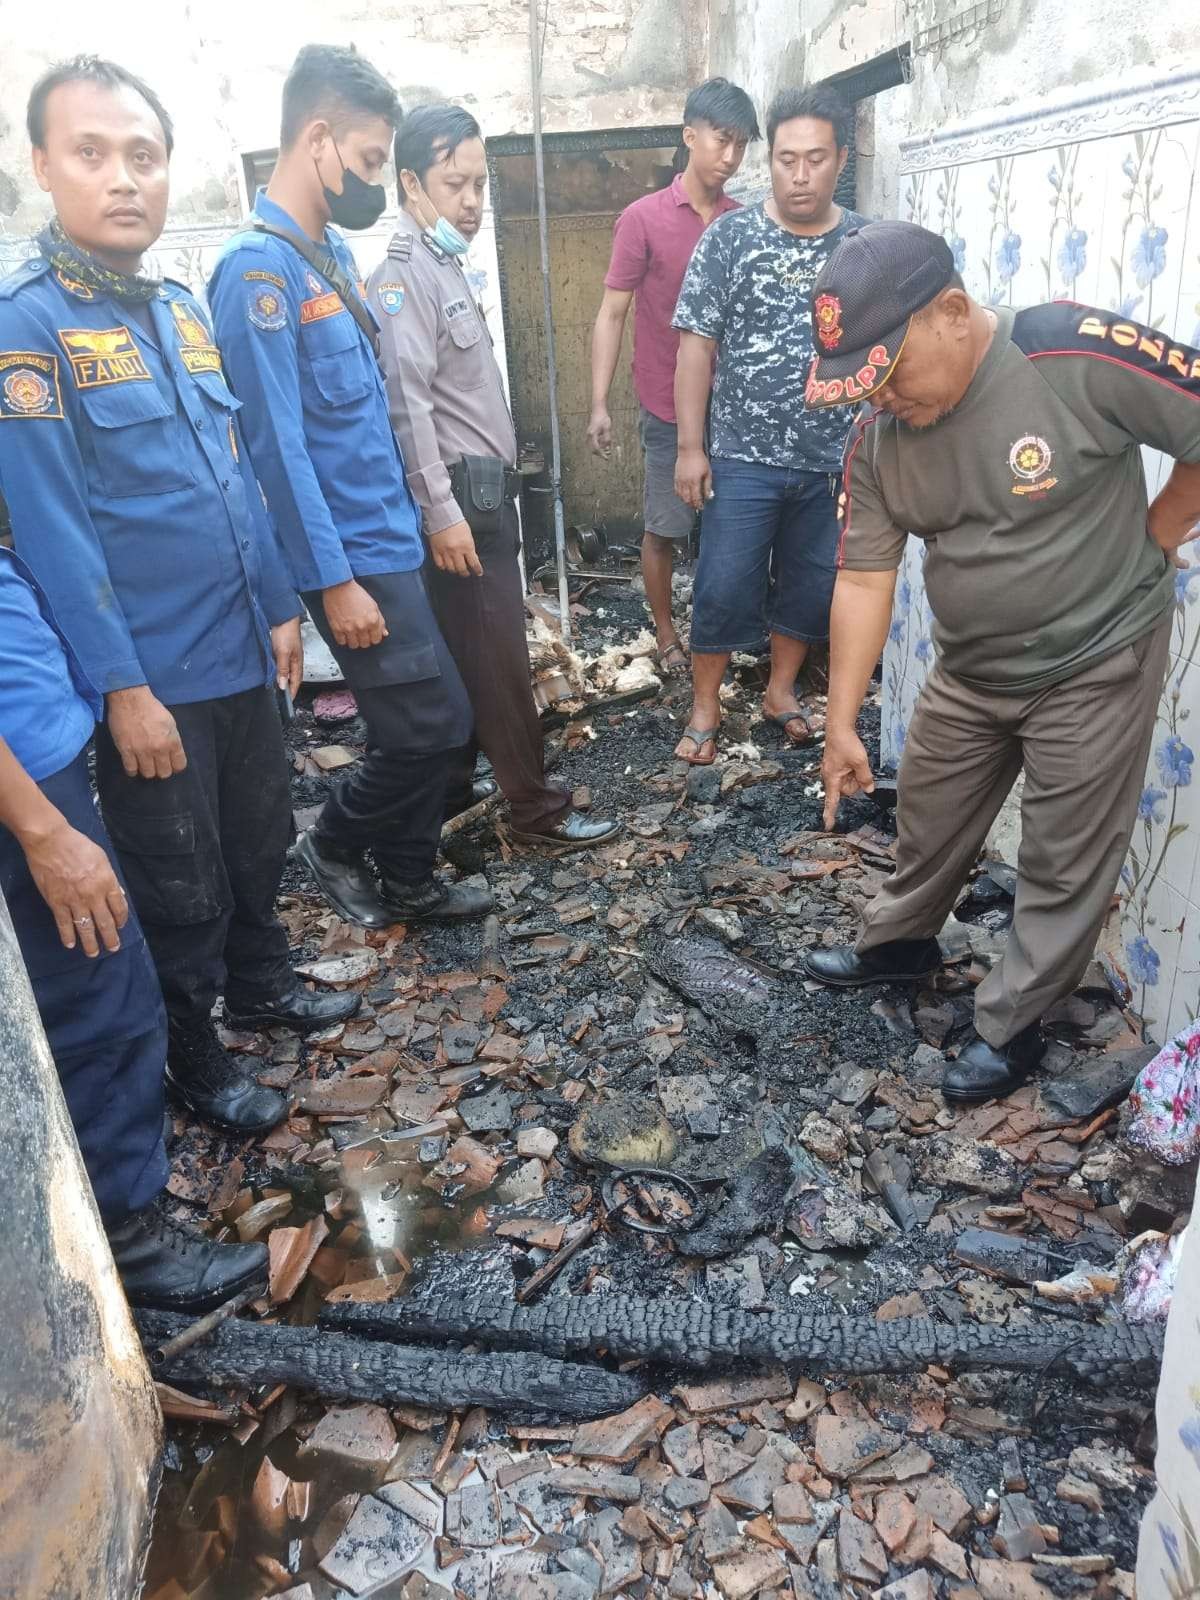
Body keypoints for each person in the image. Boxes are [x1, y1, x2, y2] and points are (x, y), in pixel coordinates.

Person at [0, 56, 358, 1139]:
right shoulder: (29, 330)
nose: (123, 179)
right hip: (152, 674)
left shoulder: (177, 307)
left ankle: (264, 981)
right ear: (41, 170)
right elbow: (56, 532)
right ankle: (193, 1055)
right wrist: (122, 688)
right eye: (92, 154)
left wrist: (283, 602)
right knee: (177, 872)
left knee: (257, 834)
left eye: (143, 157)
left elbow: (234, 473)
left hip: (241, 644)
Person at [803, 220, 1200, 1104]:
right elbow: (865, 578)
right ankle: (899, 945)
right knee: (929, 816)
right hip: (971, 672)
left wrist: (1163, 527)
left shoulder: (1066, 354)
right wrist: (839, 722)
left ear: (951, 313)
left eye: (890, 373)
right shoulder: (878, 439)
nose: (884, 400)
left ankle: (1012, 1024)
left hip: (1096, 658)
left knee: (1063, 859)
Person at [209, 45, 491, 929]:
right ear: (318, 139)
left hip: (390, 539)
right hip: (355, 559)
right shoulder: (258, 274)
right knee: (428, 729)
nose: (376, 179)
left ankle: (410, 876)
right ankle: (333, 841)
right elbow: (277, 451)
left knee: (442, 724)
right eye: (372, 161)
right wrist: (332, 583)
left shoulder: (325, 250)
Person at [0, 545, 268, 1310]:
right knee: (95, 993)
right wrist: (42, 832)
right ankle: (125, 1243)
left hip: (35, 753)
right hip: (22, 788)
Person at [376, 103, 619, 852]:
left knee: (470, 656)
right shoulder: (403, 279)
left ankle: (452, 793)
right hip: (463, 502)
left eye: (480, 184)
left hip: (481, 495)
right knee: (502, 665)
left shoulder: (443, 266)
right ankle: (535, 815)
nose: (473, 202)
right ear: (411, 183)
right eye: (456, 185)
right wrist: (441, 510)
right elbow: (406, 403)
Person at [671, 84, 863, 765]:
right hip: (742, 457)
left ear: (841, 158)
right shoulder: (731, 238)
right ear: (771, 162)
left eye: (815, 158)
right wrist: (690, 447)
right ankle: (705, 705)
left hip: (832, 459)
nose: (800, 174)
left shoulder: (864, 246)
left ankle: (781, 690)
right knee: (724, 583)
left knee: (812, 584)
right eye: (786, 159)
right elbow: (695, 345)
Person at [588, 77, 759, 675]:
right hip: (664, 402)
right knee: (666, 526)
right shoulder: (642, 219)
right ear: (690, 136)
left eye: (741, 144)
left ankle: (720, 634)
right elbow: (613, 312)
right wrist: (599, 403)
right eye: (721, 140)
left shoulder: (745, 224)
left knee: (731, 532)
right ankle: (665, 633)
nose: (732, 157)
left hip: (735, 409)